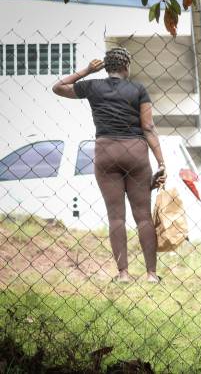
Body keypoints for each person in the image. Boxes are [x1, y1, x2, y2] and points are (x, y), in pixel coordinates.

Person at [52, 47, 166, 283]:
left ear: (106, 67)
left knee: (116, 218)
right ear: (127, 67)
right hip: (135, 151)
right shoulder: (138, 89)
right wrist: (161, 162)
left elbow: (58, 87)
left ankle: (123, 274)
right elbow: (148, 128)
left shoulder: (93, 86)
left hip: (106, 151)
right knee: (143, 216)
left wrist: (86, 70)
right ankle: (151, 274)